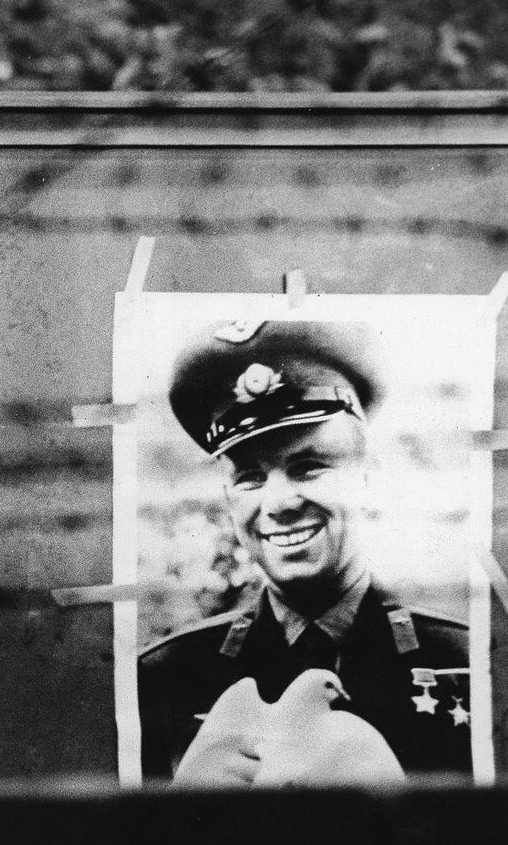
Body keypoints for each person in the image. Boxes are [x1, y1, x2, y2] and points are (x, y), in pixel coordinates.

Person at [139, 318, 471, 783]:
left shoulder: (467, 663)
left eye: (308, 466)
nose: (277, 504)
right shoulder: (162, 679)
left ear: (366, 475)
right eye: (249, 477)